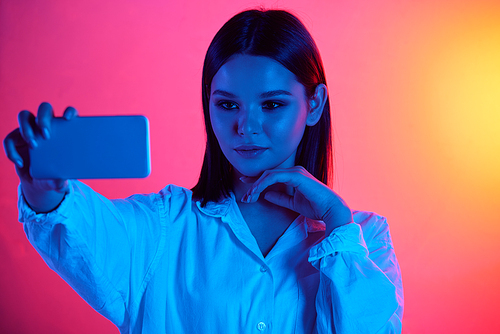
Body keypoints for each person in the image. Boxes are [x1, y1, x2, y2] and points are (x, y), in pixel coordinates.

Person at [3, 8, 404, 334]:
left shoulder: (363, 240)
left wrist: (337, 223)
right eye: (227, 104)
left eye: (272, 104)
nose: (245, 126)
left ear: (314, 104)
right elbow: (82, 229)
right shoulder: (163, 228)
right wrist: (44, 190)